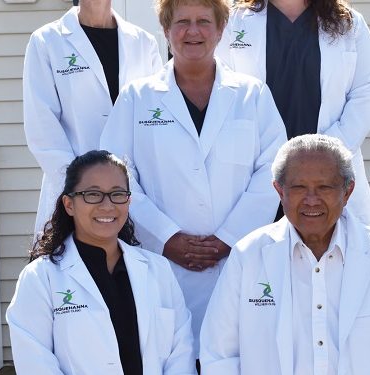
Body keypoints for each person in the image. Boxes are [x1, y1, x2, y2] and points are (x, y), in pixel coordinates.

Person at [99, 0, 287, 355]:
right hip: (161, 263)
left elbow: (273, 171)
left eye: (204, 21)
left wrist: (229, 238)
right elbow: (116, 179)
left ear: (220, 30)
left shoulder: (253, 95)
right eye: (181, 22)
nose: (193, 31)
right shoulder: (137, 98)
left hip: (236, 260)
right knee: (170, 355)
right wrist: (167, 239)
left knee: (235, 355)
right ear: (166, 32)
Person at [200, 134, 370, 374]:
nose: (311, 200)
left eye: (324, 187)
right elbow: (219, 354)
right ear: (279, 191)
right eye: (299, 187)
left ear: (347, 191)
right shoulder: (247, 256)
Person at [6, 150, 196, 375]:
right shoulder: (40, 278)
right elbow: (35, 364)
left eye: (117, 194)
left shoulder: (159, 270)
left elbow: (181, 353)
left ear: (128, 200)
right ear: (69, 204)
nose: (107, 205)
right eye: (93, 194)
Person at [215, 0, 370, 228]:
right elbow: (220, 91)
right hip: (257, 172)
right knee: (258, 255)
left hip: (327, 172)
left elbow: (366, 93)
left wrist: (326, 154)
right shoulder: (233, 23)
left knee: (333, 255)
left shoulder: (350, 24)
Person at [24, 0, 163, 234]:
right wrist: (82, 191)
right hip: (73, 198)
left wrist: (128, 193)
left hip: (135, 196)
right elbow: (43, 130)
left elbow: (154, 123)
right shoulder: (47, 41)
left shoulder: (143, 43)